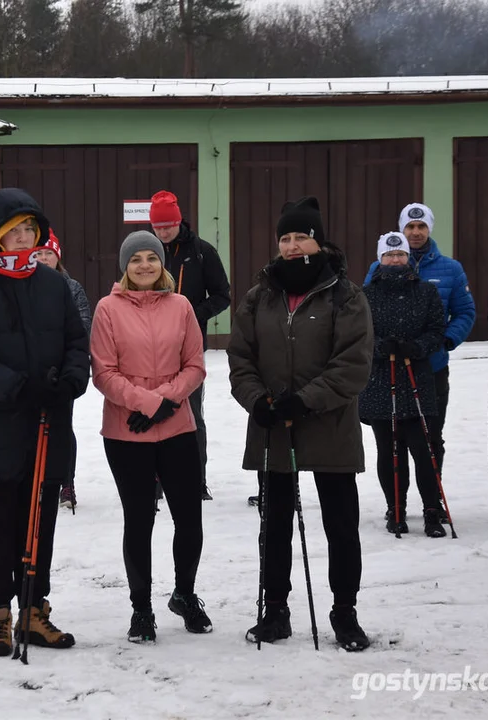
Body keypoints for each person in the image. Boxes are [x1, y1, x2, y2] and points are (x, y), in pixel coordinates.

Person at [0, 188, 90, 657]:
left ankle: (34, 610)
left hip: (48, 421)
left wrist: (69, 380)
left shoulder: (52, 284)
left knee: (41, 518)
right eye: (14, 232)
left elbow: (75, 341)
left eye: (30, 230)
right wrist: (16, 386)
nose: (24, 239)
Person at [228, 197, 373, 651]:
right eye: (285, 238)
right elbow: (240, 358)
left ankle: (344, 612)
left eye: (301, 236)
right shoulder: (259, 296)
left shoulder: (346, 295)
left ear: (318, 239)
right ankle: (276, 611)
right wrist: (258, 400)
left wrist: (305, 401)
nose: (292, 246)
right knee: (274, 524)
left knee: (340, 524)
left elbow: (353, 363)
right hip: (275, 426)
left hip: (328, 424)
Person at [91, 230, 210, 643]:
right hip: (126, 432)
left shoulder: (181, 306)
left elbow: (195, 365)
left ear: (163, 265)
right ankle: (141, 608)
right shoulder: (108, 308)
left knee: (189, 519)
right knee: (139, 521)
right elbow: (103, 372)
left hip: (176, 426)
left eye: (152, 258)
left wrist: (163, 401)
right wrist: (142, 403)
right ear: (125, 266)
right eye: (136, 259)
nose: (144, 265)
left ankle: (185, 593)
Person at [364, 203, 476, 510]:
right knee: (391, 444)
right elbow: (363, 319)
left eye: (421, 227)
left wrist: (444, 341)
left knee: (430, 439)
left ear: (429, 229)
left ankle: (432, 502)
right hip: (386, 371)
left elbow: (465, 311)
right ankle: (396, 504)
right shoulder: (381, 267)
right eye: (409, 227)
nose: (415, 232)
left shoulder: (450, 269)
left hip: (431, 367)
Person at [359, 233, 447, 538]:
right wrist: (380, 347)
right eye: (389, 255)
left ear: (408, 257)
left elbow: (438, 329)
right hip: (381, 379)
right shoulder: (366, 294)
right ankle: (395, 508)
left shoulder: (425, 292)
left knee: (425, 449)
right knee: (389, 449)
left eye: (400, 255)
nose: (395, 260)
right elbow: (358, 335)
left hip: (416, 376)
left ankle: (432, 510)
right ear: (380, 259)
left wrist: (418, 346)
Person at [149, 190, 231, 501]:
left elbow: (222, 296)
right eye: (157, 227)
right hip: (150, 346)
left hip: (189, 345)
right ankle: (155, 481)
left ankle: (195, 481)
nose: (162, 232)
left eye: (167, 226)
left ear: (179, 221)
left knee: (190, 412)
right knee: (154, 408)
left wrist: (193, 314)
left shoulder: (201, 252)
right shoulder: (148, 252)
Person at [34, 230, 92, 513]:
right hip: (32, 372)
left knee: (62, 427)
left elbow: (82, 327)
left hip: (63, 370)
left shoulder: (72, 287)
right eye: (39, 253)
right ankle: (39, 482)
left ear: (58, 257)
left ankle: (66, 483)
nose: (44, 259)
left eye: (49, 253)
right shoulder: (24, 285)